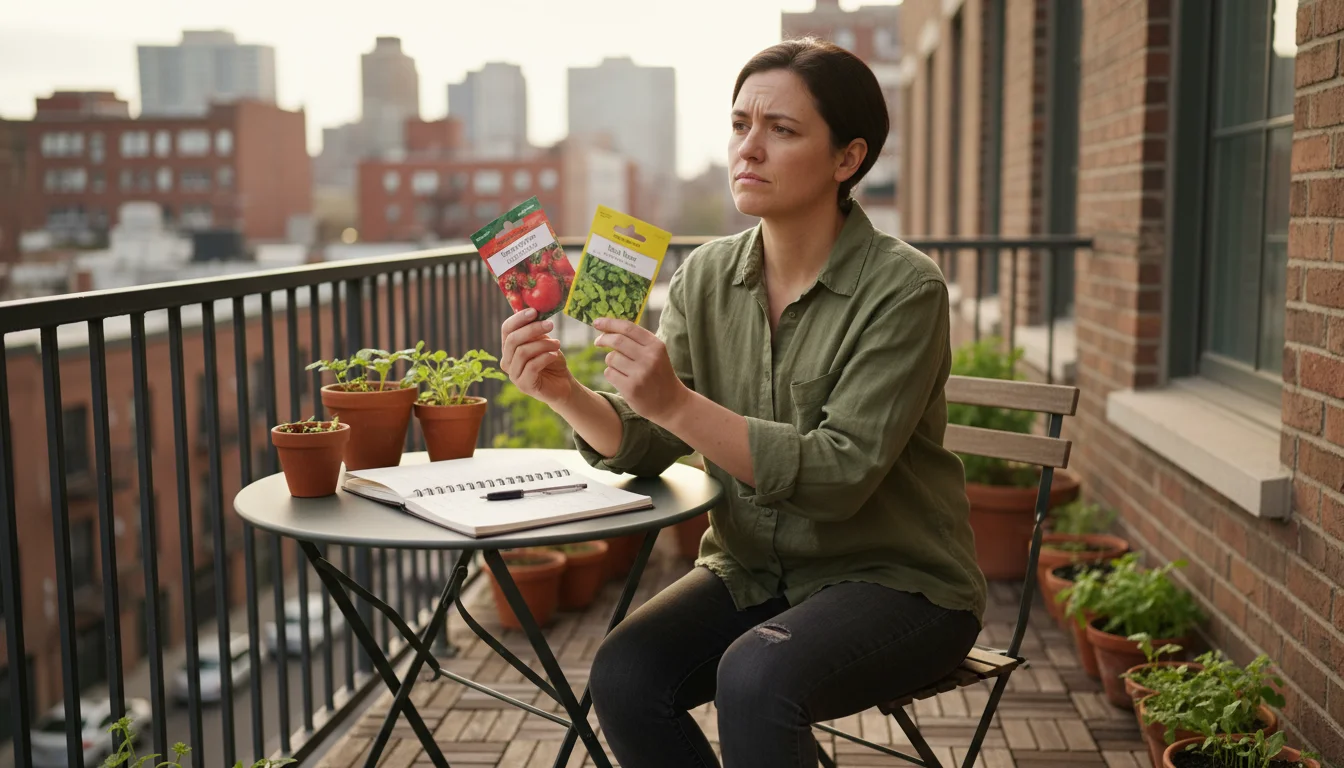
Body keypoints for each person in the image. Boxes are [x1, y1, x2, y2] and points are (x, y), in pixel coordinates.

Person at [498, 37, 987, 768]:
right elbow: (645, 439)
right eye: (739, 126)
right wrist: (566, 394)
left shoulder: (904, 290)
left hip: (897, 583)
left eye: (781, 130)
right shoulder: (704, 277)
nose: (748, 149)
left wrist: (678, 403)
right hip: (754, 573)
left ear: (847, 160)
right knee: (624, 673)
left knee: (755, 677)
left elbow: (840, 474)